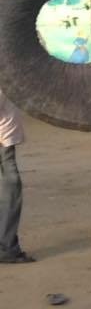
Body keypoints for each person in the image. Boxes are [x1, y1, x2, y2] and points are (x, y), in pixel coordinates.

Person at [0, 87, 33, 263]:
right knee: (11, 192)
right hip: (3, 143)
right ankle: (7, 248)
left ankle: (7, 246)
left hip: (5, 142)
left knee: (10, 192)